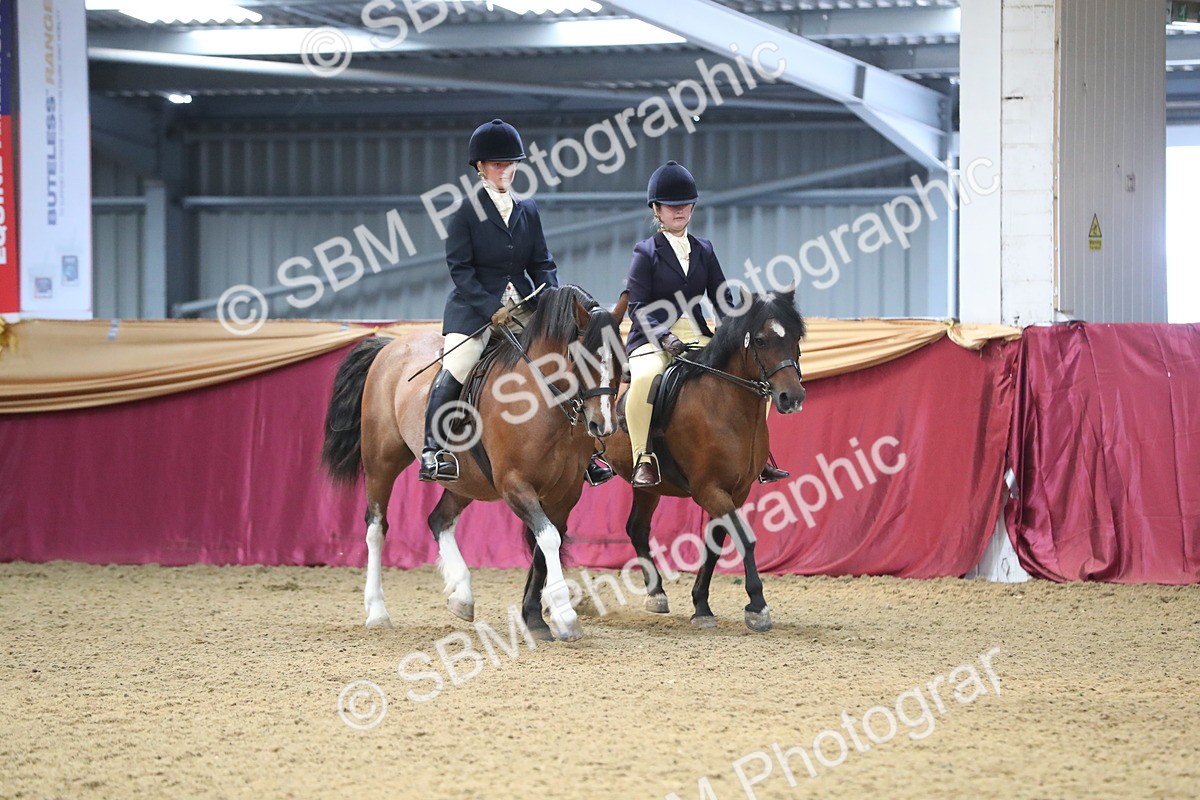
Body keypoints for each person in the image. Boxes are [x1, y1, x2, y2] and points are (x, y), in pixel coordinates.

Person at [420, 119, 613, 485]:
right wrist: (489, 307)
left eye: (510, 164)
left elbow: (541, 262)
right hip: (475, 311)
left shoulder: (528, 209)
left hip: (525, 305)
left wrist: (555, 302)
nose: (505, 170)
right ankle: (435, 449)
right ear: (480, 168)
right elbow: (460, 269)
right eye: (497, 164)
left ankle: (585, 453)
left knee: (562, 359)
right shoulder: (465, 212)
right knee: (459, 365)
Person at [623, 160, 790, 488]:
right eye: (671, 206)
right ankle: (642, 457)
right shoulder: (645, 253)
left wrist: (741, 325)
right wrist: (663, 337)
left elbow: (720, 296)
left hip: (697, 335)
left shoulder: (704, 250)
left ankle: (759, 455)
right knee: (645, 381)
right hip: (651, 338)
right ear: (656, 209)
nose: (679, 211)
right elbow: (638, 306)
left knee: (755, 376)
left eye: (685, 205)